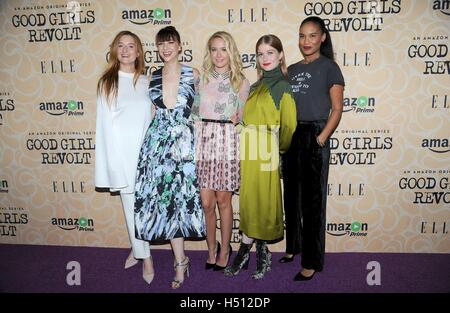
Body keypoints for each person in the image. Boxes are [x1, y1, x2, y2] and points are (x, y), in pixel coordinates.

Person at [134, 26, 206, 289]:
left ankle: (183, 261)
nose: (165, 48)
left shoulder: (193, 74)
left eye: (170, 43)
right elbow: (152, 114)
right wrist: (146, 150)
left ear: (179, 46)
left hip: (185, 144)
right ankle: (180, 260)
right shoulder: (152, 77)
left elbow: (199, 112)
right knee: (164, 201)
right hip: (157, 145)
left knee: (182, 202)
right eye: (161, 44)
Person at [224, 34, 297, 279]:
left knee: (264, 202)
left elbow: (288, 127)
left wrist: (278, 149)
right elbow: (249, 119)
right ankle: (246, 250)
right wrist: (240, 123)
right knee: (249, 201)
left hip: (266, 150)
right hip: (248, 150)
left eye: (270, 53)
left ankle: (261, 251)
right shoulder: (255, 86)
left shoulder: (283, 86)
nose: (265, 58)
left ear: (280, 55)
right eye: (260, 53)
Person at [280, 16, 345, 281]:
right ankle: (293, 247)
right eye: (302, 36)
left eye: (312, 35)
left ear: (322, 37)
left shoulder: (330, 67)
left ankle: (311, 260)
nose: (306, 41)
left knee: (313, 203)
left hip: (314, 134)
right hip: (292, 135)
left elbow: (337, 108)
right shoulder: (292, 69)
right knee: (292, 197)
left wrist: (322, 137)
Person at [94, 31, 154, 284]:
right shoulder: (108, 82)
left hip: (149, 157)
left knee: (148, 209)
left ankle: (136, 247)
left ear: (139, 51)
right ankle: (147, 260)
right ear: (114, 50)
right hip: (124, 158)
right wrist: (112, 166)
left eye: (132, 46)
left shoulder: (148, 81)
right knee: (132, 210)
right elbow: (104, 128)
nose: (126, 50)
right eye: (121, 45)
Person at [193, 31, 250, 271]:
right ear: (210, 52)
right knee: (206, 203)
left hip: (227, 142)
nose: (219, 54)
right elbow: (193, 112)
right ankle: (211, 248)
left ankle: (225, 249)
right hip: (204, 141)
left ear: (231, 51)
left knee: (223, 201)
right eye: (214, 49)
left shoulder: (242, 82)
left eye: (224, 49)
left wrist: (241, 119)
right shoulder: (201, 78)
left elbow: (244, 120)